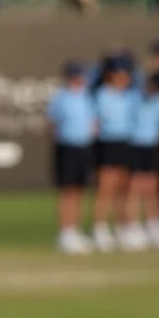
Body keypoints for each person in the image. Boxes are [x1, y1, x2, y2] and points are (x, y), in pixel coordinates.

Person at [46, 60, 96, 254]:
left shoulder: (87, 97)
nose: (78, 79)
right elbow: (51, 124)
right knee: (67, 190)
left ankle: (75, 229)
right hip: (66, 147)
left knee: (80, 190)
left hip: (84, 147)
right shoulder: (60, 98)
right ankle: (65, 232)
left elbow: (93, 121)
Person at [91, 56, 137, 251]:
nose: (123, 78)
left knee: (124, 187)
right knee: (106, 187)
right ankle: (100, 228)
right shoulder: (101, 95)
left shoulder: (130, 96)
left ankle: (122, 227)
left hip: (125, 141)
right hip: (107, 142)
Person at [124, 74, 159, 249]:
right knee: (135, 186)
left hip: (152, 147)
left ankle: (153, 224)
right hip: (135, 145)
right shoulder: (133, 99)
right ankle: (131, 226)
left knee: (151, 186)